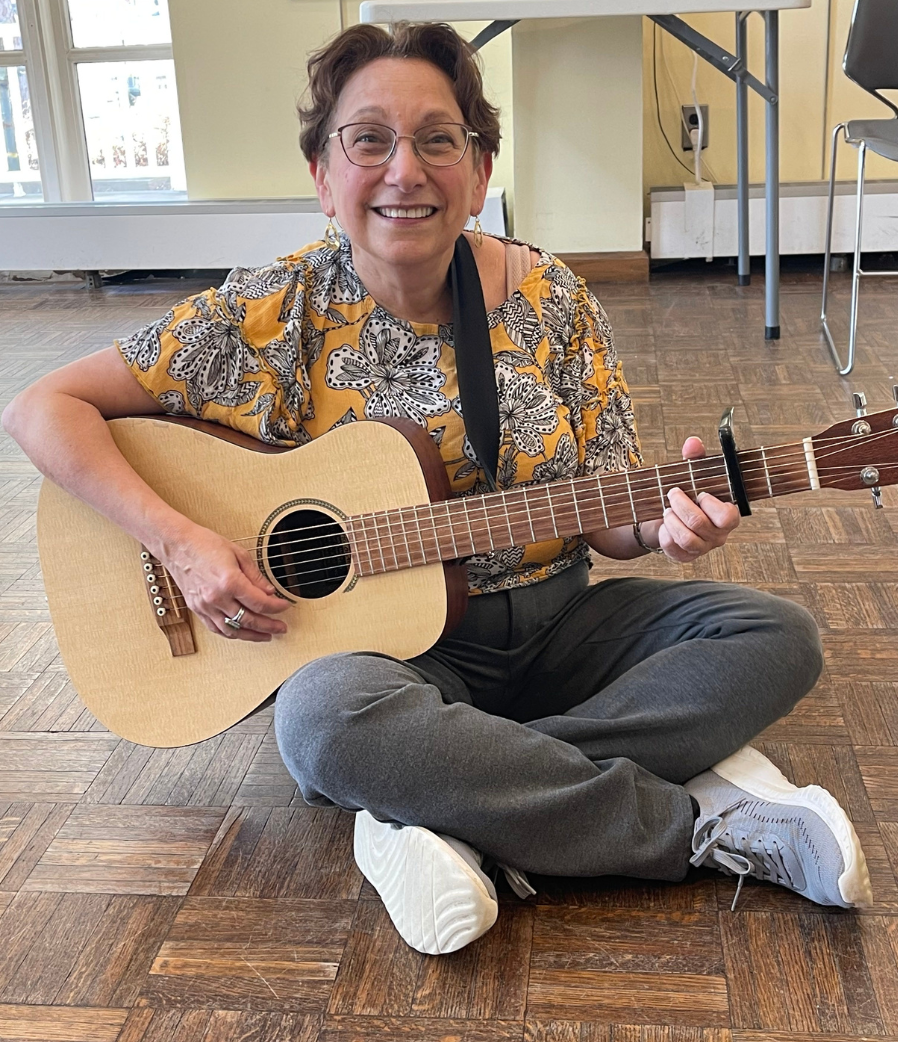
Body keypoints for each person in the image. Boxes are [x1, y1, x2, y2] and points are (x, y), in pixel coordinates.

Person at [3, 21, 871, 956]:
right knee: (323, 722)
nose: (404, 170)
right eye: (368, 139)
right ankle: (691, 826)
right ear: (321, 174)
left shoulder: (557, 301)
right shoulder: (268, 314)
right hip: (393, 662)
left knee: (777, 636)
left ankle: (453, 805)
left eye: (438, 138)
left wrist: (666, 530)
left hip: (557, 627)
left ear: (480, 169)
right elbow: (43, 408)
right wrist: (180, 540)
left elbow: (614, 523)